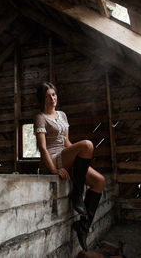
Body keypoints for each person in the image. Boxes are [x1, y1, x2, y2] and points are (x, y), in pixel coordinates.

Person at [34, 82, 105, 251]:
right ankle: (77, 194)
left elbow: (66, 142)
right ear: (42, 100)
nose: (52, 98)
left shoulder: (63, 115)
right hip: (53, 158)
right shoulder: (40, 117)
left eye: (54, 94)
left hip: (65, 156)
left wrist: (81, 159)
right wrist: (53, 170)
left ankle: (83, 226)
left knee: (99, 181)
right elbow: (43, 147)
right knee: (87, 145)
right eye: (48, 96)